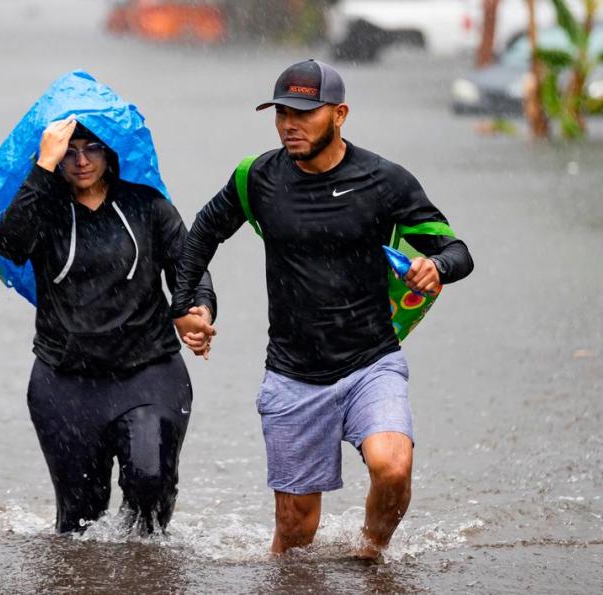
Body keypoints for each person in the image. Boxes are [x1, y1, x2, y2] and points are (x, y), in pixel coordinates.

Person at [170, 59, 474, 558]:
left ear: (340, 114)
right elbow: (202, 232)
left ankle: (371, 553)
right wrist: (188, 305)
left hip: (371, 361)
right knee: (294, 536)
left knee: (392, 467)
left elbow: (457, 250)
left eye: (305, 113)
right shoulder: (256, 178)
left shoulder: (385, 181)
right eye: (281, 112)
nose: (290, 124)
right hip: (293, 373)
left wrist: (436, 266)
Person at [0, 115, 216, 534]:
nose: (81, 161)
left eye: (91, 148)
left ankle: (146, 573)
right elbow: (10, 245)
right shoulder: (44, 209)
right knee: (80, 524)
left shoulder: (148, 206)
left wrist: (198, 309)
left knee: (149, 487)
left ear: (110, 153)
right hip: (64, 381)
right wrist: (42, 168)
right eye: (69, 151)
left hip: (148, 372)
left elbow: (189, 269)